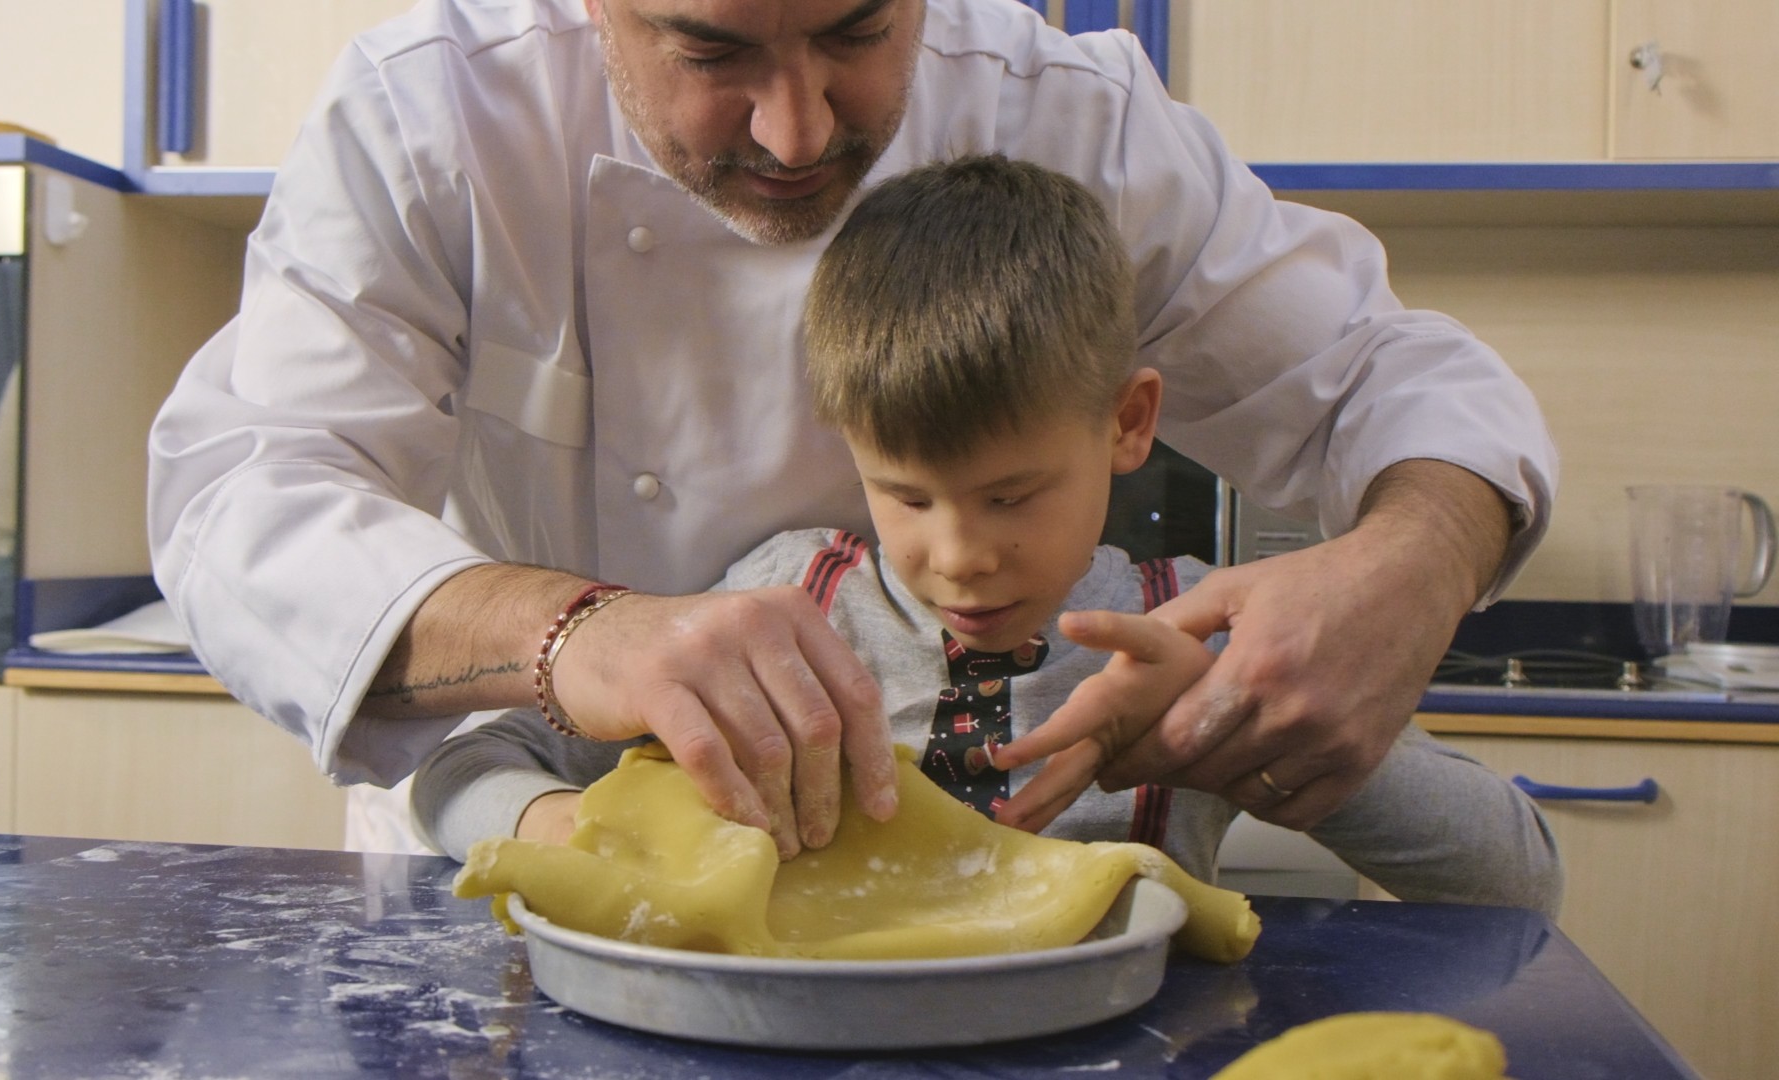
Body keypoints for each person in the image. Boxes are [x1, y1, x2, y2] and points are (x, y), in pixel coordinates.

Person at [147, 0, 1558, 856]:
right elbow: (240, 495)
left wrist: (1417, 562)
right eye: (711, 47)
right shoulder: (430, 118)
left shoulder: (1068, 116)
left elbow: (1385, 368)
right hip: (543, 854)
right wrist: (578, 631)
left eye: (857, 31)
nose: (793, 127)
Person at [410, 156, 1562, 916]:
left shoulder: (1195, 636)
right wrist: (554, 826)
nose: (960, 554)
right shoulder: (776, 606)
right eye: (906, 497)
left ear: (1128, 423)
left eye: (1012, 497)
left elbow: (1519, 883)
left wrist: (1241, 730)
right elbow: (462, 768)